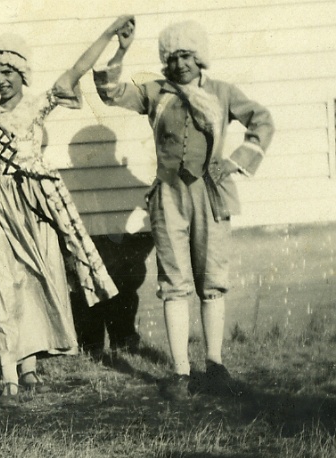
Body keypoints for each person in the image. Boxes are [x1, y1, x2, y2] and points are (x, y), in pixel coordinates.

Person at [93, 19, 274, 399]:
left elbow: (262, 120)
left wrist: (235, 161)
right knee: (174, 282)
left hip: (212, 194)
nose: (180, 64)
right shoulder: (156, 93)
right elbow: (108, 91)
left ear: (200, 56)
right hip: (168, 197)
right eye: (172, 57)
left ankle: (215, 364)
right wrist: (121, 49)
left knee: (212, 279)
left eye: (187, 55)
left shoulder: (223, 92)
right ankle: (179, 372)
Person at [0, 18, 131, 406]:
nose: (2, 80)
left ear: (22, 74)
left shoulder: (37, 106)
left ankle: (29, 366)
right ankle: (9, 378)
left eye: (9, 73)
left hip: (36, 207)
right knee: (3, 286)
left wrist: (108, 35)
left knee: (34, 280)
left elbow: (76, 70)